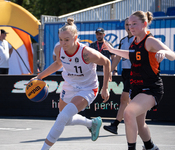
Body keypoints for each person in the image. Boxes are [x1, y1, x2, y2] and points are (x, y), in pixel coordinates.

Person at [32, 18, 111, 150]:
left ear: (76, 38)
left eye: (67, 40)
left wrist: (105, 88)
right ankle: (92, 123)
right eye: (61, 39)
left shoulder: (87, 53)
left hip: (87, 88)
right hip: (69, 86)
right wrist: (39, 77)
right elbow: (58, 63)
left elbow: (107, 62)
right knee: (66, 119)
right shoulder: (59, 49)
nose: (63, 43)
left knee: (62, 117)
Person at [103, 11, 175, 150]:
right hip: (136, 88)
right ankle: (150, 147)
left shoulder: (150, 40)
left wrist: (164, 52)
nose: (131, 27)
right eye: (129, 24)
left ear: (145, 24)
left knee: (128, 112)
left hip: (151, 88)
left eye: (134, 24)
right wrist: (113, 50)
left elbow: (172, 55)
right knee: (139, 122)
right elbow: (132, 55)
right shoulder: (135, 42)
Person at [103, 17, 134, 134]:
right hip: (126, 72)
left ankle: (116, 124)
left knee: (125, 99)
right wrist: (109, 71)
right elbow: (117, 57)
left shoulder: (138, 40)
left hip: (135, 72)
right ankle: (120, 125)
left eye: (131, 24)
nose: (128, 27)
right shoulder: (123, 40)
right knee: (127, 100)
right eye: (126, 24)